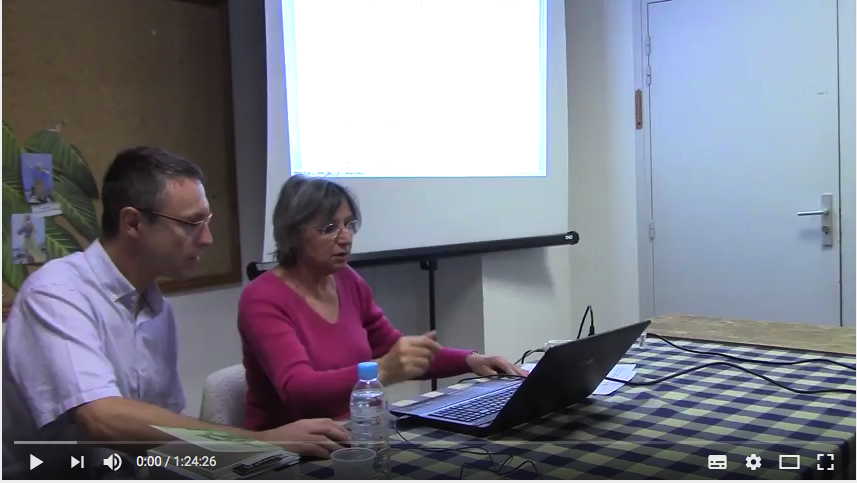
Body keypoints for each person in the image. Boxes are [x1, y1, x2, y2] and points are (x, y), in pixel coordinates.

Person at [2, 147, 348, 478]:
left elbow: (160, 431)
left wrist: (231, 463)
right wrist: (258, 442)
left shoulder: (155, 307)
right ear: (133, 223)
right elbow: (101, 418)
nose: (208, 238)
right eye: (192, 223)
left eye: (207, 221)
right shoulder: (57, 293)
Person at [238, 175, 525, 430]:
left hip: (359, 431)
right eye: (329, 228)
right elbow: (298, 390)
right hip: (292, 450)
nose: (345, 238)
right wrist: (383, 370)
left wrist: (470, 360)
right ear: (293, 234)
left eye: (349, 225)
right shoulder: (263, 299)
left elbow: (393, 350)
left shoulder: (347, 280)